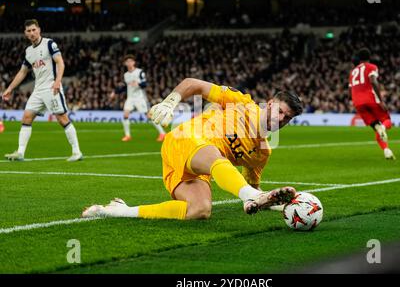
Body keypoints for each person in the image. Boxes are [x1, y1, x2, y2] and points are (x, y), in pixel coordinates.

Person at [82, 78, 303, 220]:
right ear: (271, 104)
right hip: (185, 139)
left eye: (288, 118)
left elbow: (253, 185)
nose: (281, 119)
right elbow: (192, 84)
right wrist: (170, 102)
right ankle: (249, 196)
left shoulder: (262, 153)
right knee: (217, 158)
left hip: (198, 164)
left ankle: (119, 211)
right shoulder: (241, 102)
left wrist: (270, 203)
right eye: (281, 111)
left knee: (200, 211)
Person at [2, 19, 82, 161]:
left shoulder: (49, 44)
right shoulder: (28, 51)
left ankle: (77, 152)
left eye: (34, 30)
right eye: (29, 31)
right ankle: (20, 153)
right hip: (38, 90)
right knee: (26, 117)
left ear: (39, 29)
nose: (32, 33)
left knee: (62, 119)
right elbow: (22, 72)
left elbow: (60, 62)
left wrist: (58, 81)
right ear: (25, 33)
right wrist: (10, 88)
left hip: (51, 87)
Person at [349, 48, 395, 160]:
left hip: (357, 102)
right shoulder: (371, 67)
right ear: (369, 57)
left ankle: (386, 150)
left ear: (359, 59)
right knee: (386, 120)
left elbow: (351, 90)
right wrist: (381, 100)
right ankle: (383, 127)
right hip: (370, 98)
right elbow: (373, 81)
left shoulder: (352, 72)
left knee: (376, 128)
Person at [110, 54, 166, 142]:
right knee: (125, 114)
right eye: (127, 61)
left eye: (131, 61)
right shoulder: (126, 75)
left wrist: (138, 84)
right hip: (130, 98)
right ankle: (127, 135)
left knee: (149, 116)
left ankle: (162, 133)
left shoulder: (139, 72)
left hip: (140, 98)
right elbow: (125, 86)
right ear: (125, 63)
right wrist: (115, 92)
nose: (129, 63)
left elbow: (145, 84)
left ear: (134, 62)